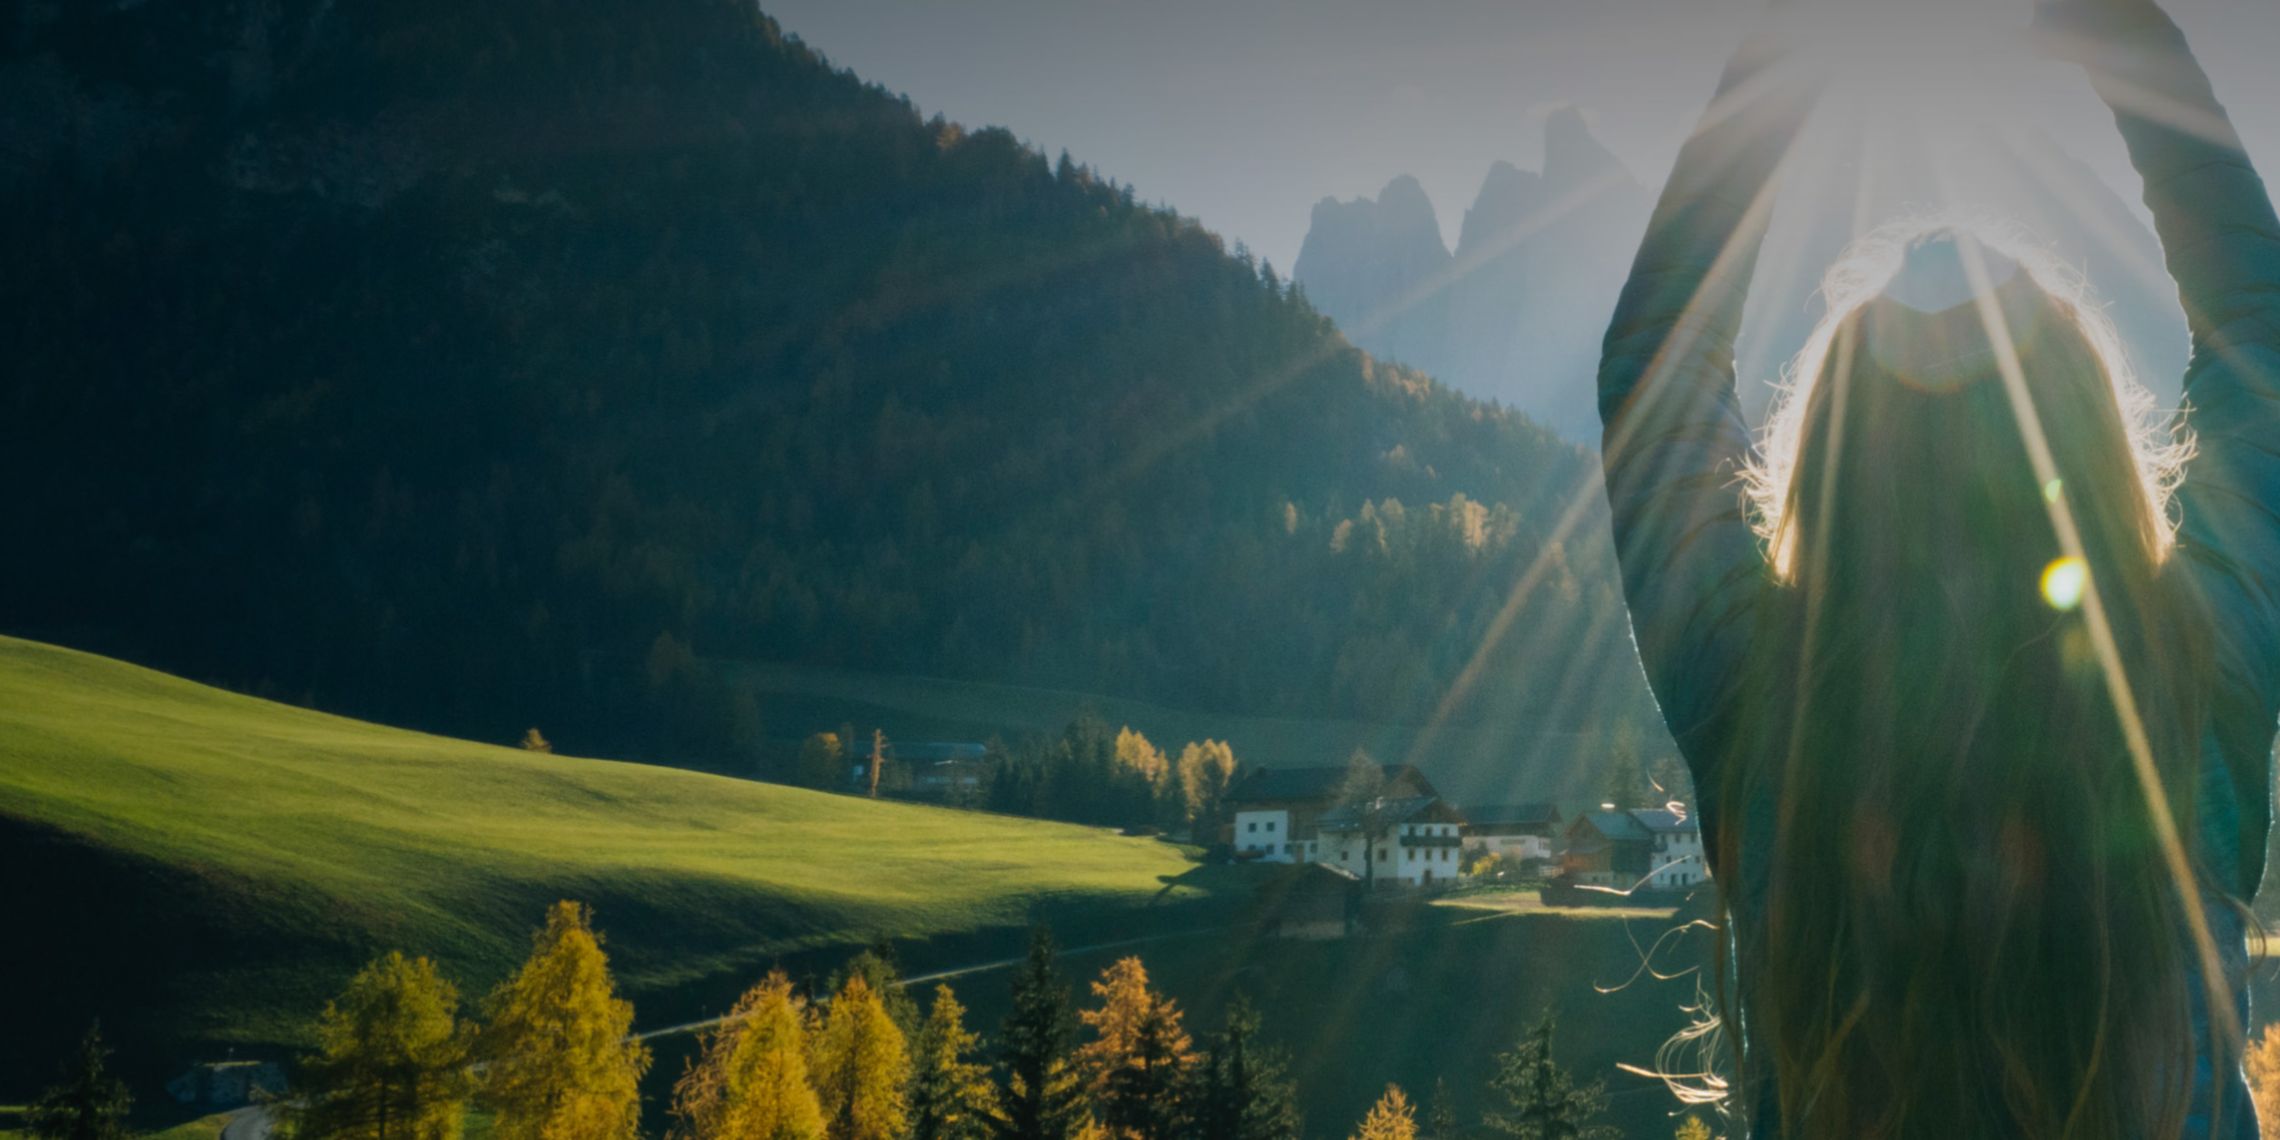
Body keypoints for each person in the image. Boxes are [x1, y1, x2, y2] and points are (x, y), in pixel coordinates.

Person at [1596, 0, 2280, 1135]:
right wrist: (2135, 48)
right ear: (2086, 451)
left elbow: (1650, 377)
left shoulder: (1762, 705)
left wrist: (1777, 67)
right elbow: (2265, 346)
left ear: (1835, 467)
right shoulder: (2191, 679)